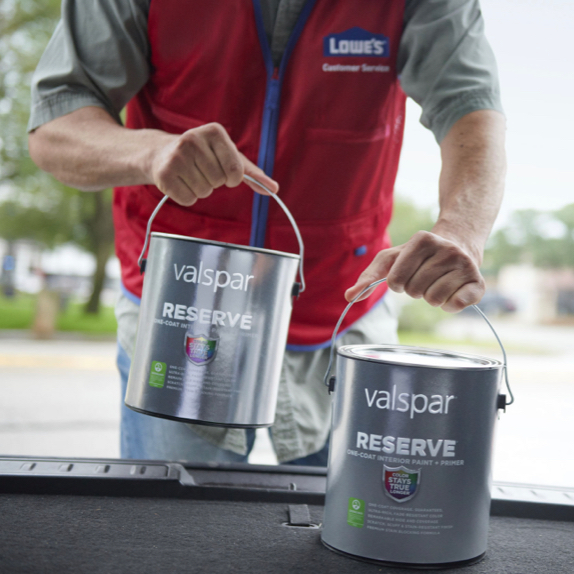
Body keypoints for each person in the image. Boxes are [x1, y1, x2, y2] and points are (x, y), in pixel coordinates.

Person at [27, 0, 506, 466]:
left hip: (341, 307)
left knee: (347, 533)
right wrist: (150, 152)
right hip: (179, 311)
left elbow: (469, 105)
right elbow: (55, 123)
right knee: (173, 534)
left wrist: (461, 230)